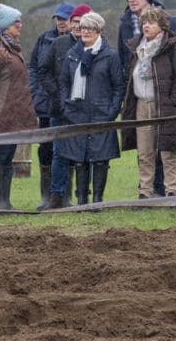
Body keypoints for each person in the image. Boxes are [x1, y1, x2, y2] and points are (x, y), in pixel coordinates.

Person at [118, 0, 176, 197]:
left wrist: (173, 99)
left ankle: (170, 190)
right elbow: (125, 65)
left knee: (167, 150)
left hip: (163, 103)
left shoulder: (171, 43)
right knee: (144, 151)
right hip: (141, 102)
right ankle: (146, 191)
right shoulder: (134, 43)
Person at [59, 11, 124, 205]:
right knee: (80, 159)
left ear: (99, 31)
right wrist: (66, 106)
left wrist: (112, 111)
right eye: (83, 28)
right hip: (76, 113)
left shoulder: (110, 56)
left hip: (101, 113)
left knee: (101, 159)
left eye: (90, 28)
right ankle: (81, 199)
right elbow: (64, 83)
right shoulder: (72, 55)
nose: (85, 32)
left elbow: (118, 86)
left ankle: (97, 199)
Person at [0, 0, 37, 210]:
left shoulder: (13, 47)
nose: (20, 25)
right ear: (4, 25)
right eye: (16, 22)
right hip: (0, 112)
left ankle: (6, 202)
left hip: (15, 112)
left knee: (8, 157)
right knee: (0, 158)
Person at [40, 4, 91, 209]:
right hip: (60, 108)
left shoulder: (96, 47)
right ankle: (56, 196)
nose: (78, 26)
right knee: (59, 152)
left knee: (84, 153)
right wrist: (57, 94)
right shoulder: (58, 44)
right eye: (75, 22)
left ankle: (82, 196)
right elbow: (43, 71)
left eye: (82, 23)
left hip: (86, 109)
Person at [28, 1, 74, 209]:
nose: (61, 22)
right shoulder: (44, 39)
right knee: (46, 147)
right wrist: (36, 92)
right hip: (46, 102)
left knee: (68, 146)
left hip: (68, 104)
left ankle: (66, 195)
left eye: (65, 18)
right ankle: (46, 196)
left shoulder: (76, 41)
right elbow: (34, 67)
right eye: (58, 18)